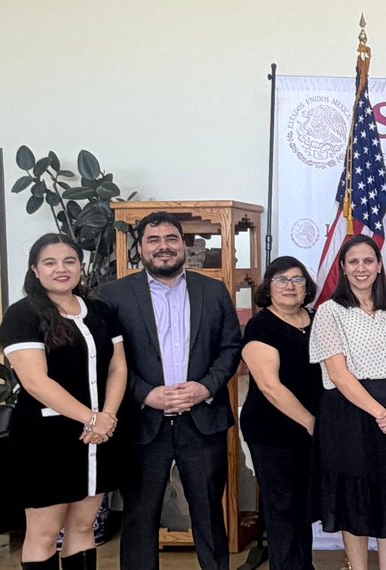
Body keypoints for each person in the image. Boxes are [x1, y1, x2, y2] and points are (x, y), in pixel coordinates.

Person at [97, 212, 243, 570]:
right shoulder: (113, 295)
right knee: (139, 517)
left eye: (171, 239)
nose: (163, 247)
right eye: (153, 240)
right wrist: (145, 394)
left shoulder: (213, 290)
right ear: (139, 248)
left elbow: (231, 347)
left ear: (184, 244)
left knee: (209, 515)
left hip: (202, 422)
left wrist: (205, 387)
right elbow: (105, 360)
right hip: (143, 424)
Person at [0, 234, 126, 570]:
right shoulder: (22, 315)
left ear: (80, 267)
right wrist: (92, 419)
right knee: (45, 532)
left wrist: (107, 416)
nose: (61, 269)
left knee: (83, 527)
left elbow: (118, 367)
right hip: (45, 439)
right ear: (35, 270)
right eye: (50, 262)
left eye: (69, 261)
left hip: (98, 437)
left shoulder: (100, 311)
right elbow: (35, 382)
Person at [308, 235, 386, 570]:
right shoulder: (329, 312)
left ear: (379, 266)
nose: (361, 268)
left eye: (368, 261)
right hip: (350, 416)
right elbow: (339, 374)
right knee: (355, 500)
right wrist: (382, 415)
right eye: (353, 262)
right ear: (343, 268)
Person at [239, 256, 322, 570]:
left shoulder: (317, 320)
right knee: (282, 508)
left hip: (311, 432)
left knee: (302, 507)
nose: (290, 286)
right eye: (281, 279)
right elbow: (270, 387)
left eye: (297, 279)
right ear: (268, 287)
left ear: (306, 287)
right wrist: (310, 422)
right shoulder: (261, 326)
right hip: (272, 431)